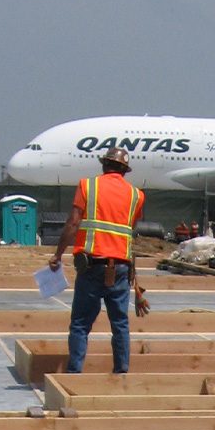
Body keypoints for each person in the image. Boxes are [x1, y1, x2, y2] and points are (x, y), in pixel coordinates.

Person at [48, 146, 146, 374]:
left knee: (80, 324)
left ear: (104, 165)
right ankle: (121, 374)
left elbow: (73, 223)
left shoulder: (87, 186)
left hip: (92, 266)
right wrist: (134, 274)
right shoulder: (136, 196)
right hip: (121, 268)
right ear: (124, 170)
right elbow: (130, 234)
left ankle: (74, 375)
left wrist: (57, 254)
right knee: (120, 324)